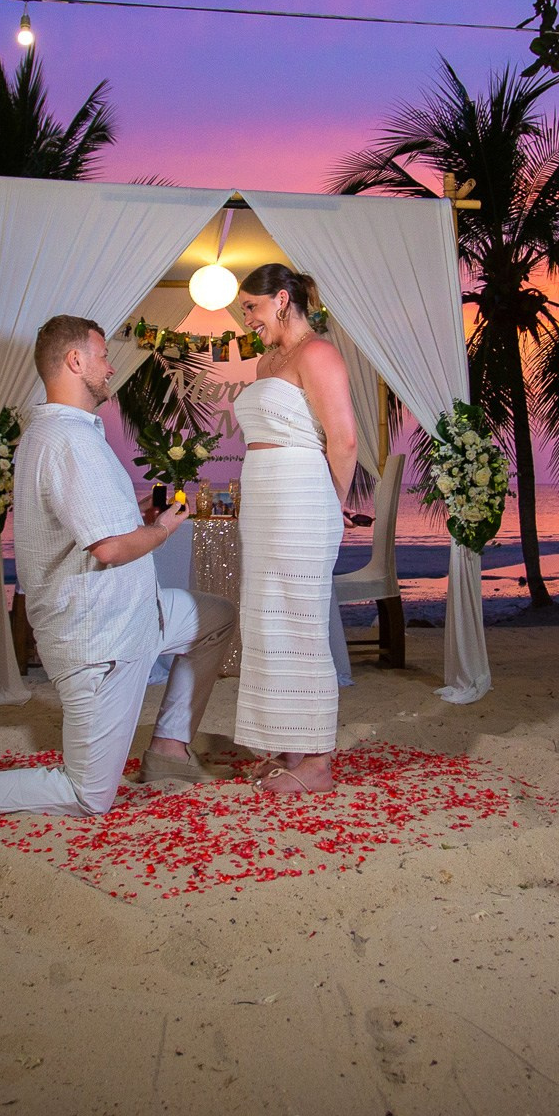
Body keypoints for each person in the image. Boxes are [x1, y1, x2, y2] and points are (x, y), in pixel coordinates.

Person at [0, 315, 238, 817]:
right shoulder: (67, 440)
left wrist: (138, 517)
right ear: (75, 361)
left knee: (215, 618)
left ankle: (167, 750)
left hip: (136, 614)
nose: (111, 367)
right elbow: (110, 550)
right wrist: (163, 530)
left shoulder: (64, 433)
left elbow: (91, 528)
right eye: (102, 356)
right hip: (100, 639)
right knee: (87, 795)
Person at [231, 265, 357, 795]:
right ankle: (288, 745)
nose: (246, 317)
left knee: (300, 623)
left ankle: (318, 760)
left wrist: (334, 504)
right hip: (263, 500)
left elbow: (344, 440)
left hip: (303, 500)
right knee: (265, 622)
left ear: (281, 300)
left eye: (252, 308)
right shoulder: (267, 361)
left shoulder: (318, 354)